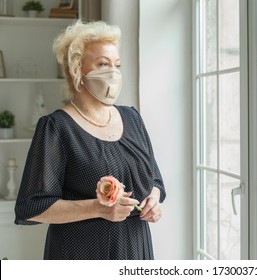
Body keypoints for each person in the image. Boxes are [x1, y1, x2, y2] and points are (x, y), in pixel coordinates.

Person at [14, 20, 166, 260]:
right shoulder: (56, 127)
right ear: (78, 71)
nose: (114, 73)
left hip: (135, 249)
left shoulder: (133, 118)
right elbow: (32, 207)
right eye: (103, 64)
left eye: (117, 65)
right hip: (82, 252)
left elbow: (154, 180)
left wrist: (153, 202)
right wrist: (97, 208)